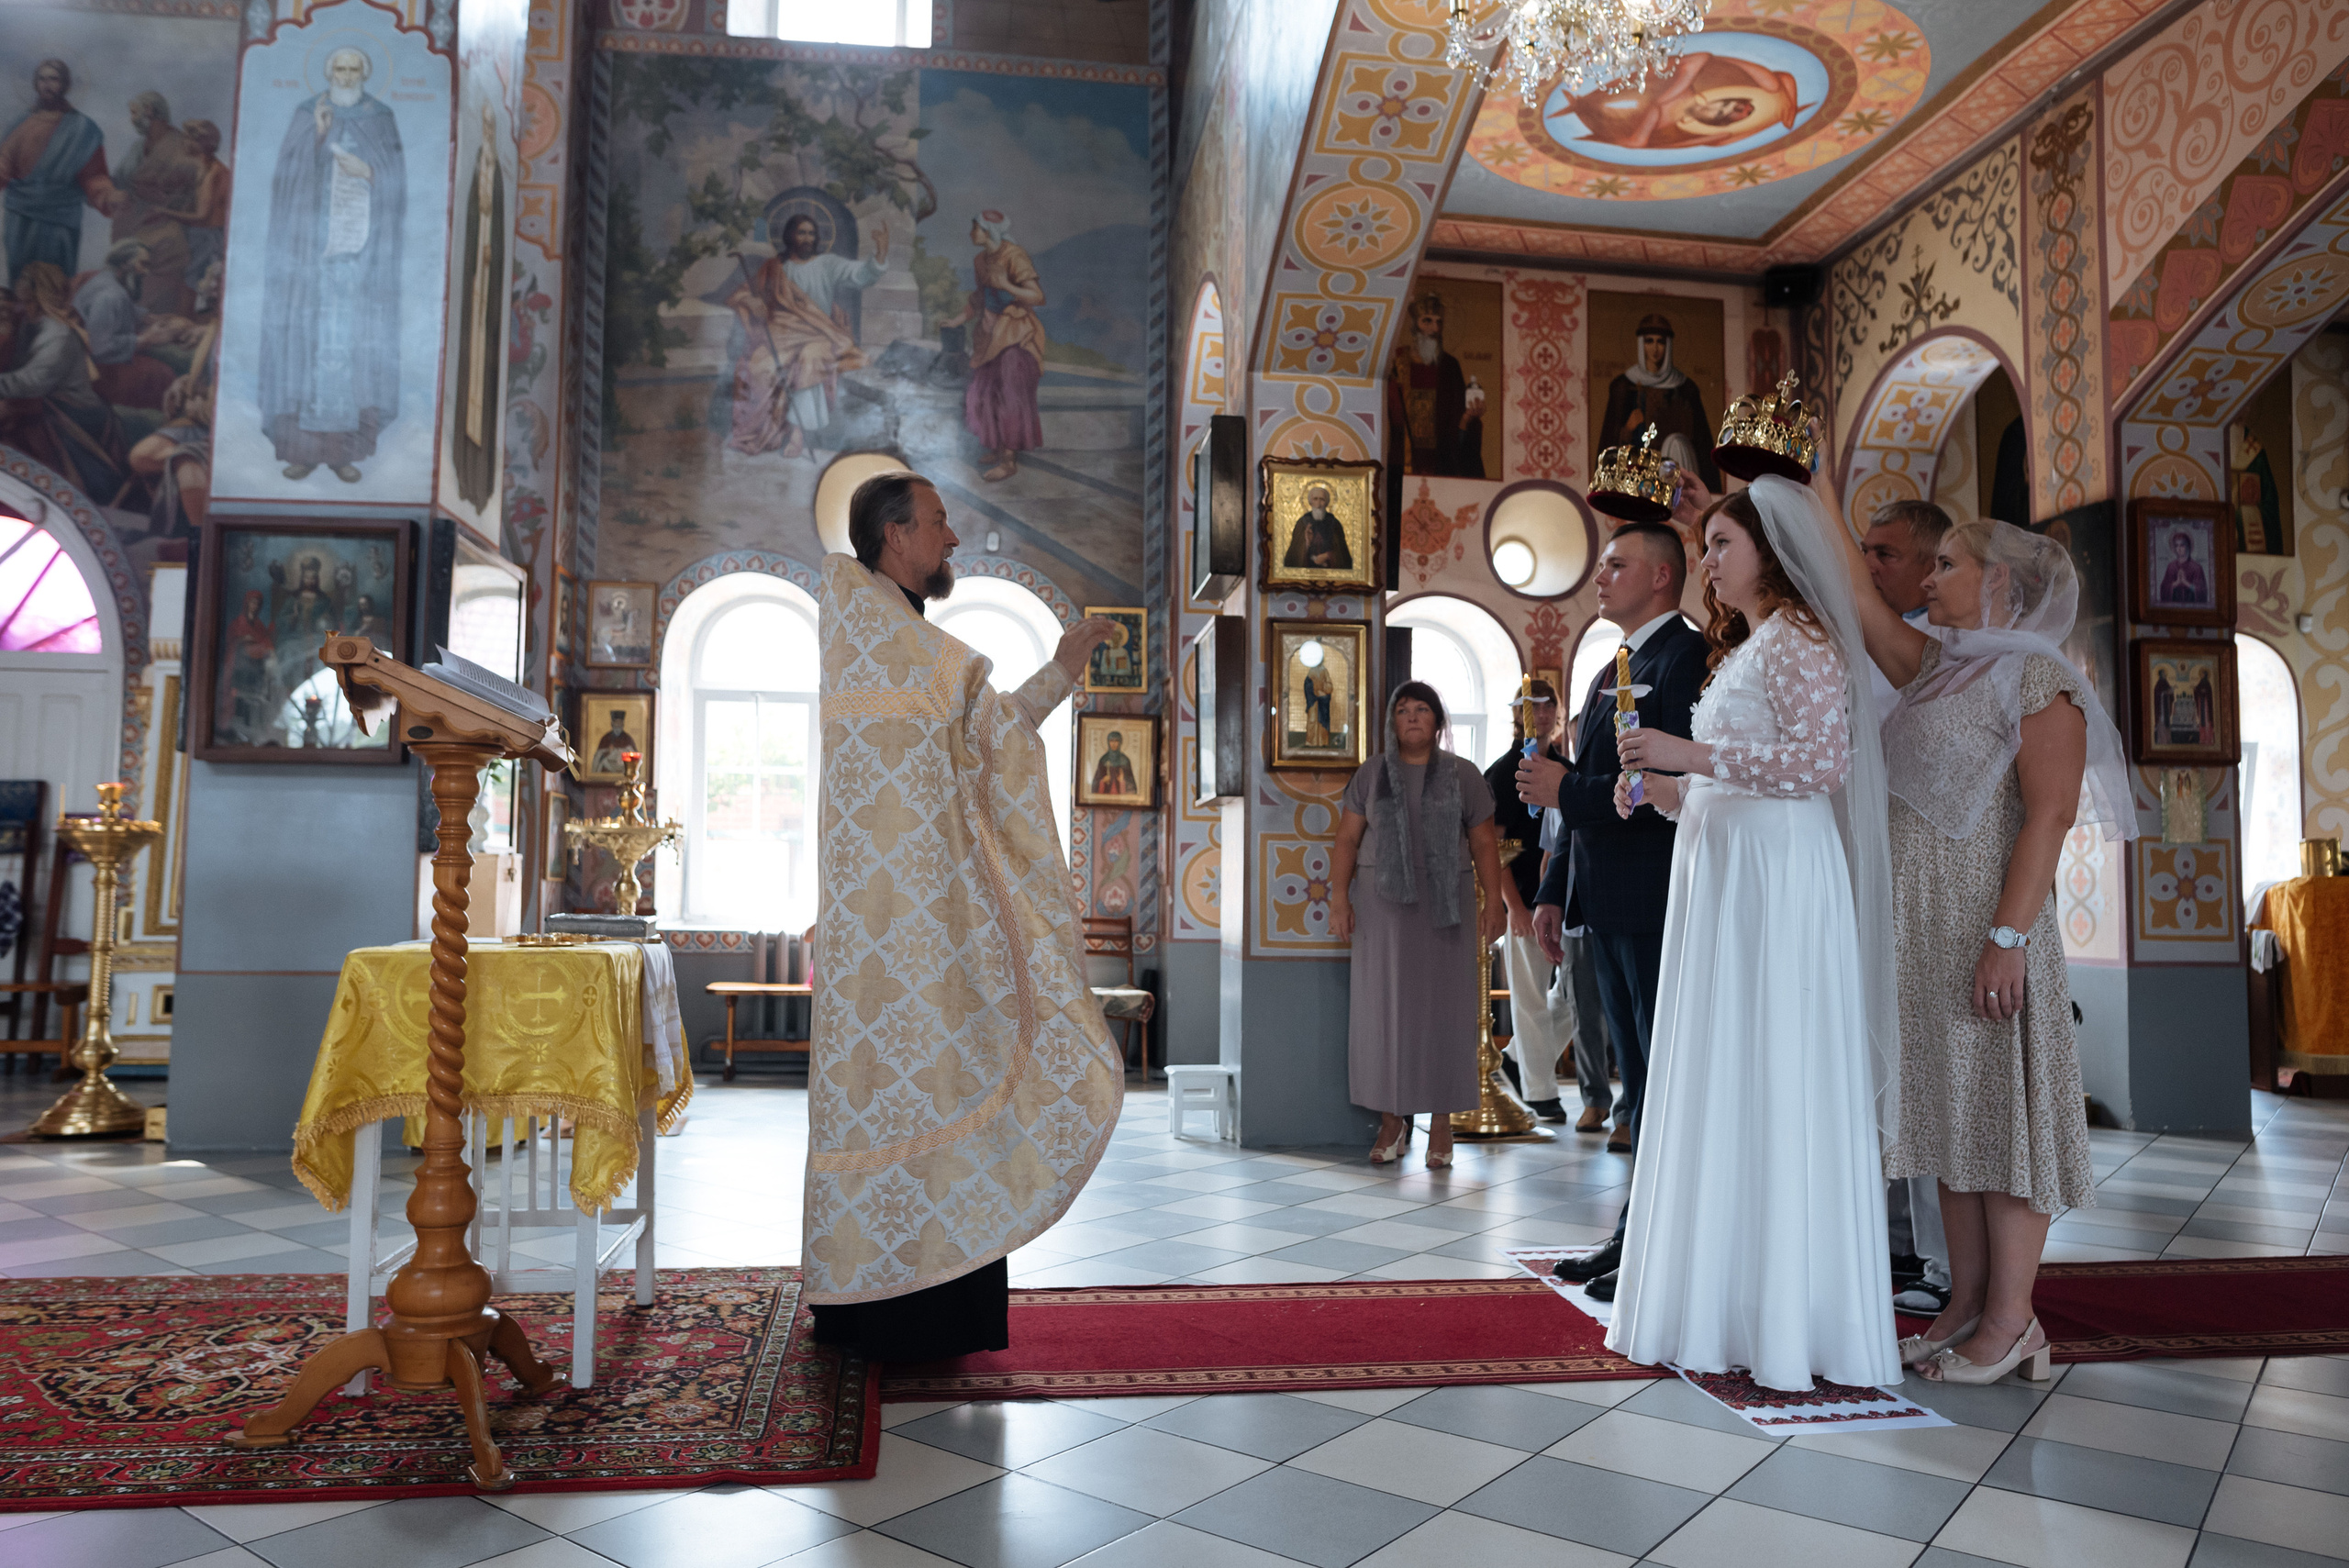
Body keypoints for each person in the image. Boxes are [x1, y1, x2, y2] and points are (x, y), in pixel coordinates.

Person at [806, 470, 1120, 1361]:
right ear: (895, 534)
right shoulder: (889, 640)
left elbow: (993, 737)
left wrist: (1063, 667)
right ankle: (894, 1309)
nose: (951, 537)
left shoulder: (896, 636)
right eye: (938, 522)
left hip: (929, 921)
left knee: (934, 1078)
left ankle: (908, 1303)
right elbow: (990, 728)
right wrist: (1055, 668)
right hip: (901, 924)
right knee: (914, 1084)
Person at [1833, 468, 2136, 1385]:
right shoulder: (1936, 669)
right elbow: (1857, 595)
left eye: (1948, 566)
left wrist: (2006, 938)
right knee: (1946, 1126)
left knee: (1998, 1126)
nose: (1927, 580)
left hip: (1985, 929)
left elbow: (2048, 813)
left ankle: (2012, 1321)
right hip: (1921, 926)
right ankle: (1964, 1304)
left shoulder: (2038, 673)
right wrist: (1799, 481)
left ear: (1999, 582)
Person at [1602, 480, 1902, 1392]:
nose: (1710, 561)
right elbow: (1738, 770)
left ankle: (1788, 1312)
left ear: (1770, 550)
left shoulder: (1803, 639)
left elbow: (1818, 764)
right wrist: (1662, 790)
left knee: (1772, 1065)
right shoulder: (1750, 648)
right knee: (1722, 1068)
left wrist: (1683, 755)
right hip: (1728, 869)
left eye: (1722, 542)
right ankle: (1722, 1299)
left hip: (1775, 875)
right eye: (1708, 545)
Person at [1520, 518, 1708, 1300]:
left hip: (1656, 895)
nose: (1600, 576)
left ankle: (1658, 1236)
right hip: (1604, 898)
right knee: (1635, 1078)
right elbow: (1583, 785)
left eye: (1617, 564)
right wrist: (1554, 889)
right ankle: (1634, 1228)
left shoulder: (1685, 658)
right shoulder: (1612, 664)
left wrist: (1566, 790)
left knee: (1660, 1074)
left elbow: (1659, 795)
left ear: (1662, 577)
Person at [1329, 682, 1508, 1168]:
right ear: (1391, 721)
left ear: (1438, 720)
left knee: (1443, 1015)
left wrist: (1496, 901)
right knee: (1384, 1013)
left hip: (1446, 906)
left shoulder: (1462, 775)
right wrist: (1338, 898)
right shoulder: (1371, 775)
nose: (1412, 717)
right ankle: (1392, 1120)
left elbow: (1485, 845)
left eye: (1422, 709)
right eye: (1403, 710)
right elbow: (1346, 840)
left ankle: (1442, 1123)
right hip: (1381, 909)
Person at [1857, 496, 1958, 1316]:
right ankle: (1892, 1237)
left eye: (1883, 553)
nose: (1868, 565)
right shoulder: (1867, 638)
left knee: (1928, 1067)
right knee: (1881, 1063)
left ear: (1931, 566)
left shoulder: (1947, 650)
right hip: (1875, 878)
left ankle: (1942, 1257)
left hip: (1938, 890)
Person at [260, 47, 406, 484]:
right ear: (329, 72)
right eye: (339, 69)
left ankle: (346, 454)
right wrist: (318, 137)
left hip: (359, 263)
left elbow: (395, 180)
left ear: (365, 73)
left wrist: (372, 173)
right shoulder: (310, 113)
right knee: (305, 350)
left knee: (350, 353)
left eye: (353, 70)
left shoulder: (381, 118)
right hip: (310, 261)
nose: (345, 76)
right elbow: (287, 176)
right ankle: (302, 451)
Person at [725, 213, 885, 458]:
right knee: (758, 365)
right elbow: (744, 294)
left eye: (811, 233)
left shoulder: (827, 264)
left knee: (809, 360)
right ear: (791, 236)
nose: (807, 238)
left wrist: (880, 253)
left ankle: (798, 434)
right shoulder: (775, 268)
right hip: (782, 336)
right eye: (802, 232)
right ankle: (760, 431)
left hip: (819, 334)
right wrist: (752, 301)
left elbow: (860, 274)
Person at [1486, 680, 1569, 1123]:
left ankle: (1518, 1058)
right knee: (1532, 996)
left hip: (1568, 901)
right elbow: (1493, 848)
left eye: (1545, 707)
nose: (1538, 716)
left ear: (1557, 712)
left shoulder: (1565, 767)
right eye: (1528, 708)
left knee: (1575, 996)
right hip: (1522, 899)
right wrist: (1512, 906)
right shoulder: (1503, 771)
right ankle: (1540, 1092)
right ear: (1515, 714)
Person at [0, 262, 135, 506]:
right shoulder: (31, 326)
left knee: (18, 421)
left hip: (77, 414)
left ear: (35, 288)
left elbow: (32, 382)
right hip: (50, 404)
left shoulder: (57, 334)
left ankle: (44, 493)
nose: (17, 284)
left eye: (23, 279)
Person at [942, 210, 1045, 482]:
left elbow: (1036, 296)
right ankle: (998, 448)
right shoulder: (981, 260)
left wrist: (1007, 287)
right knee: (982, 393)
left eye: (975, 228)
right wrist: (957, 320)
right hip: (989, 336)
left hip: (1015, 335)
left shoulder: (1014, 255)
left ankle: (1009, 461)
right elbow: (979, 298)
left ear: (989, 231)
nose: (971, 233)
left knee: (1010, 395)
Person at [1, 60, 118, 281]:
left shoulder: (83, 129)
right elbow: (3, 165)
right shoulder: (19, 123)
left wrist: (108, 196)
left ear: (64, 84)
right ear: (35, 84)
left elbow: (94, 176)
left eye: (53, 79)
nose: (47, 85)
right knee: (21, 283)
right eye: (42, 79)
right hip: (21, 218)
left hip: (60, 219)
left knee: (56, 281)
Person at [451, 106, 505, 508]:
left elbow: (494, 220)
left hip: (486, 289)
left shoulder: (497, 175)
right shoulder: (474, 172)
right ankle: (465, 469)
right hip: (473, 286)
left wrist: (492, 254)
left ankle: (477, 475)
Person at [1599, 315, 1719, 490]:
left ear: (1668, 345)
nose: (1655, 348)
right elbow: (1608, 442)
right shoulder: (1623, 386)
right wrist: (1627, 429)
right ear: (1641, 344)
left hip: (1677, 467)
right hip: (1638, 475)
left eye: (1660, 342)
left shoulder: (1685, 388)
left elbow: (1702, 443)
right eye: (1649, 341)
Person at [1387, 292, 1485, 477]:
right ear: (1414, 325)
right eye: (1427, 321)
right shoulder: (1398, 361)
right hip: (1402, 459)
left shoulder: (1449, 366)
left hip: (1441, 461)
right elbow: (1386, 412)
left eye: (1439, 322)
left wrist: (1467, 419)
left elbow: (1457, 419)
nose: (1435, 328)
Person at [1283, 484, 1353, 571]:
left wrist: (1328, 555)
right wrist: (1307, 543)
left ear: (1327, 502)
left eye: (1322, 500)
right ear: (1310, 502)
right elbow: (1294, 554)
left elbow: (1342, 553)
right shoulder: (1302, 523)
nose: (1318, 504)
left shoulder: (1334, 523)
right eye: (1315, 499)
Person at [2158, 529, 2208, 606]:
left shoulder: (2196, 568)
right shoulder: (2171, 567)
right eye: (2176, 545)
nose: (2179, 548)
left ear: (2188, 546)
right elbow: (2163, 589)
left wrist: (2186, 583)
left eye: (2182, 545)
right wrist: (2176, 583)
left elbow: (2202, 592)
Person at [1090, 732, 1138, 796]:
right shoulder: (1103, 760)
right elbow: (1095, 785)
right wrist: (1103, 780)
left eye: (1116, 741)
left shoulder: (1125, 760)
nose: (1114, 744)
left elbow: (1132, 787)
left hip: (1121, 799)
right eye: (1111, 741)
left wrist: (1123, 781)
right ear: (1108, 742)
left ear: (1120, 742)